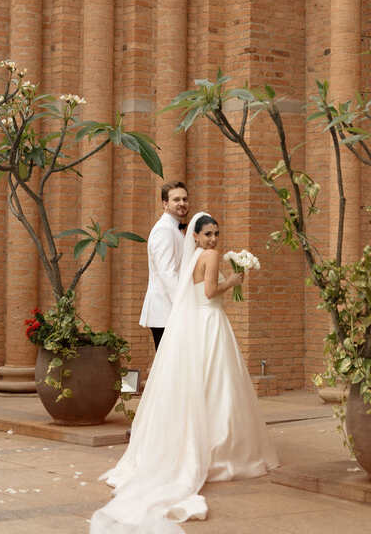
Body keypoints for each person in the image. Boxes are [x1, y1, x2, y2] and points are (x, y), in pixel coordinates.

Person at [90, 211, 278, 532]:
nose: (214, 239)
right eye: (208, 234)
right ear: (196, 236)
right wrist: (232, 281)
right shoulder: (211, 256)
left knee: (205, 385)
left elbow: (192, 291)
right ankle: (220, 449)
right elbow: (208, 293)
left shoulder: (192, 259)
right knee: (219, 386)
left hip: (197, 326)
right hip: (211, 322)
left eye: (216, 233)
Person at [139, 181, 189, 349]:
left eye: (184, 199)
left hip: (170, 309)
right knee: (168, 368)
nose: (182, 203)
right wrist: (182, 305)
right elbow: (167, 272)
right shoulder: (164, 230)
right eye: (176, 200)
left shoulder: (173, 228)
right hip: (166, 310)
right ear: (165, 204)